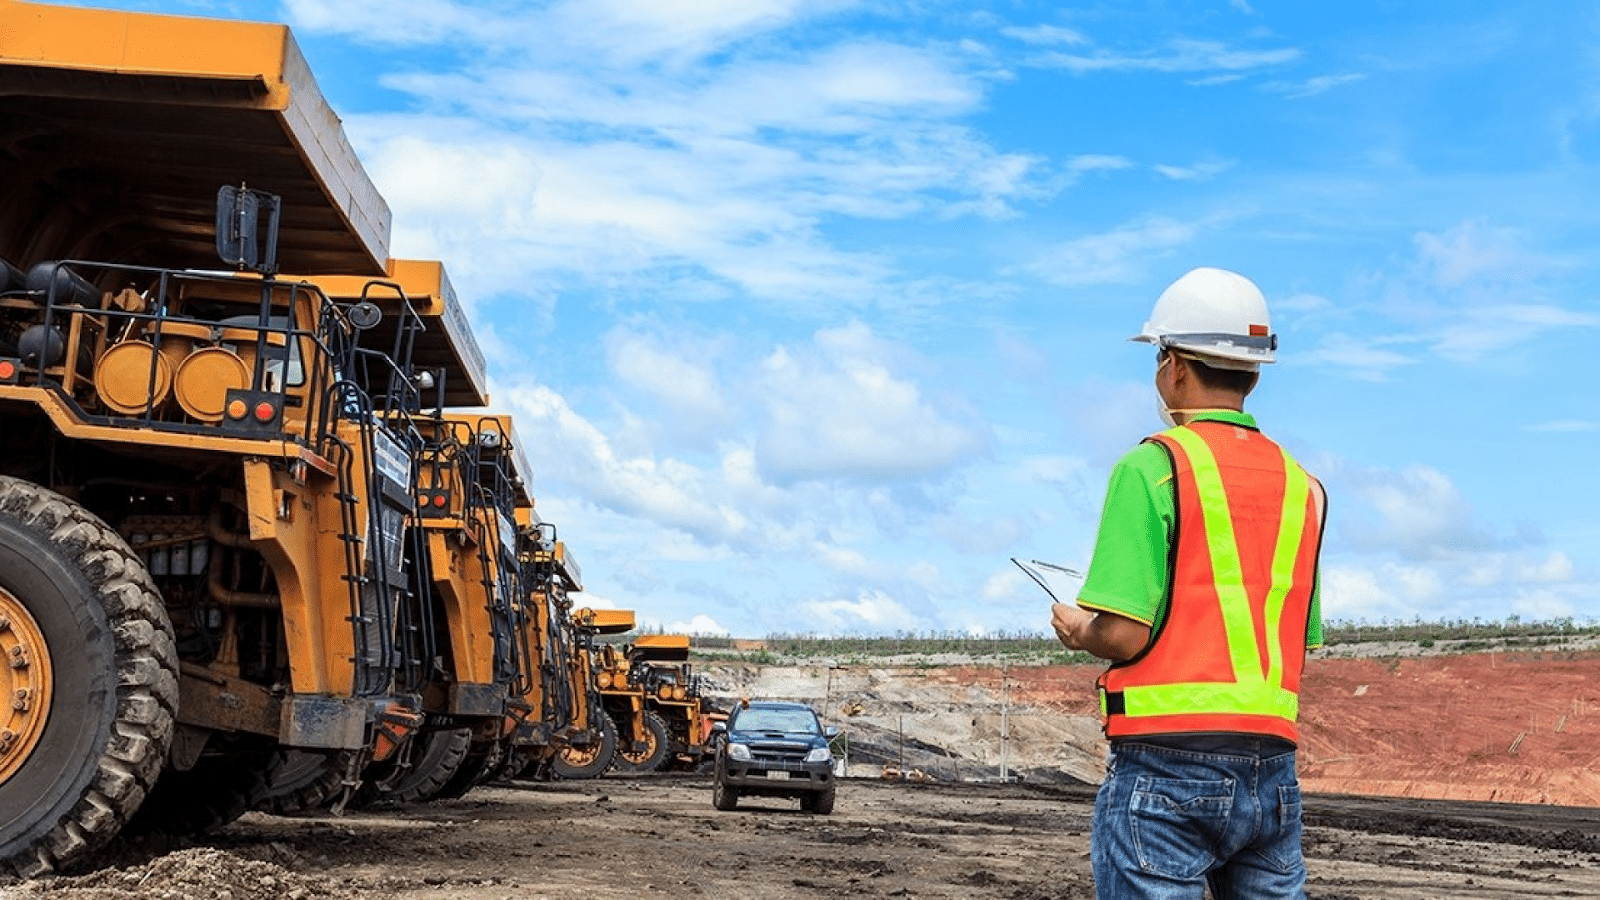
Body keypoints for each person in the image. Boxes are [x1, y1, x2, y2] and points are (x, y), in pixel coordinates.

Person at [1051, 266, 1327, 900]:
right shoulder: (1302, 488)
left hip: (1163, 770)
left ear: (1172, 364)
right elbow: (1292, 636)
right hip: (1273, 774)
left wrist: (1079, 629)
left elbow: (1121, 634)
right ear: (1253, 372)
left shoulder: (1153, 467)